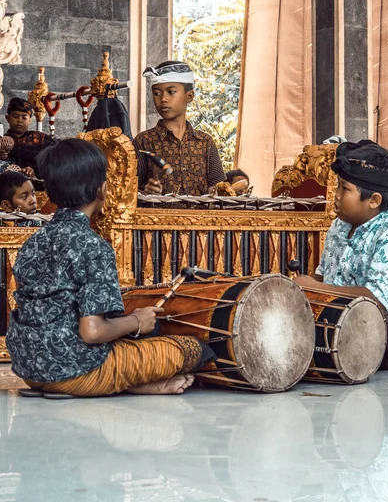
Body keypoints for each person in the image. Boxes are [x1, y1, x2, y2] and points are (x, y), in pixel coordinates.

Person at [6, 138, 214, 396]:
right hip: (73, 372)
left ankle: (135, 384)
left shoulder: (32, 242)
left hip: (29, 369)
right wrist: (137, 321)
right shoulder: (94, 246)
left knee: (127, 341)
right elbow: (92, 332)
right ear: (101, 190)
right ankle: (122, 383)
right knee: (192, 350)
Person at [294, 139, 388, 369]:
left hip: (386, 336)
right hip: (338, 319)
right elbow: (324, 276)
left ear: (374, 200)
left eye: (345, 188)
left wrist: (316, 288)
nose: (336, 194)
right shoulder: (339, 226)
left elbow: (376, 298)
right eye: (338, 186)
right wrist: (300, 284)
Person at [133, 61, 225, 195]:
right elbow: (128, 190)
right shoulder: (143, 142)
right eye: (157, 93)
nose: (163, 98)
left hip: (199, 216)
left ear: (189, 96)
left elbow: (216, 189)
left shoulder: (205, 143)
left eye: (171, 92)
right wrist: (145, 193)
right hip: (156, 216)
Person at [4, 97, 55, 178]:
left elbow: (55, 158)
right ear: (7, 118)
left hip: (36, 187)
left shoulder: (40, 139)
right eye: (15, 116)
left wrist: (34, 170)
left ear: (30, 120)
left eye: (24, 117)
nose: (20, 120)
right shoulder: (2, 141)